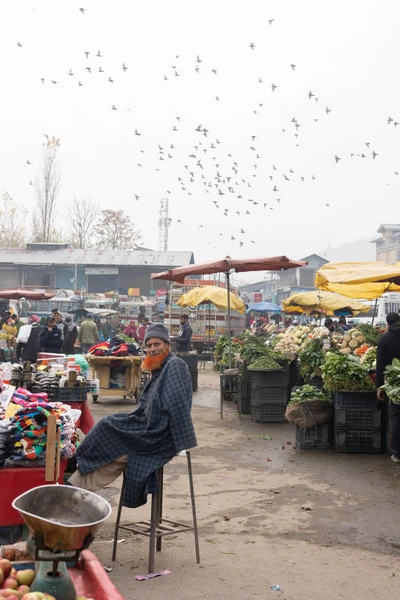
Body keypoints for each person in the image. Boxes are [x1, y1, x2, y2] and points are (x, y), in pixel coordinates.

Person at [68, 323, 197, 508]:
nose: (152, 349)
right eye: (149, 345)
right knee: (110, 424)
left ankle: (77, 463)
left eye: (157, 344)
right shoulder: (160, 367)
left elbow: (176, 406)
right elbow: (145, 407)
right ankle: (78, 470)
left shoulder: (175, 365)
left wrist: (179, 443)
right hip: (146, 424)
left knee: (109, 427)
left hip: (158, 433)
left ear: (166, 345)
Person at [376, 312, 400, 463]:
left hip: (395, 385)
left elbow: (380, 365)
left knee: (396, 418)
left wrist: (380, 386)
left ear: (388, 323)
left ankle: (397, 453)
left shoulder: (384, 339)